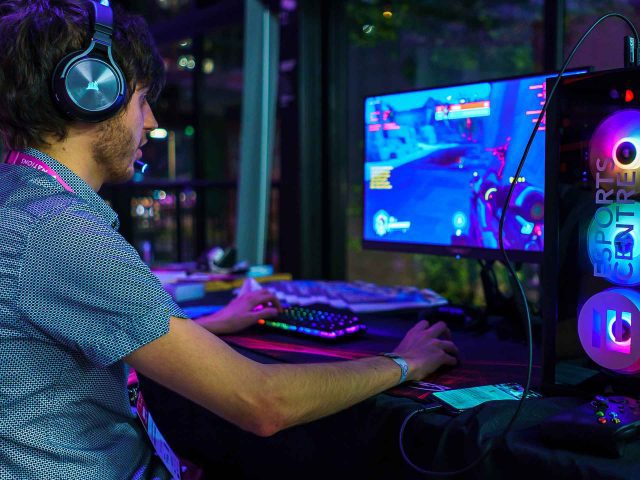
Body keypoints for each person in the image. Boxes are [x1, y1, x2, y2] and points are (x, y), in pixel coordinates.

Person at [0, 1, 459, 479]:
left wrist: (212, 326)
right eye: (141, 99)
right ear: (91, 92)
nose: (153, 122)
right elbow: (262, 402)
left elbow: (82, 327)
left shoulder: (19, 202)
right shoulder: (58, 233)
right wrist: (403, 362)